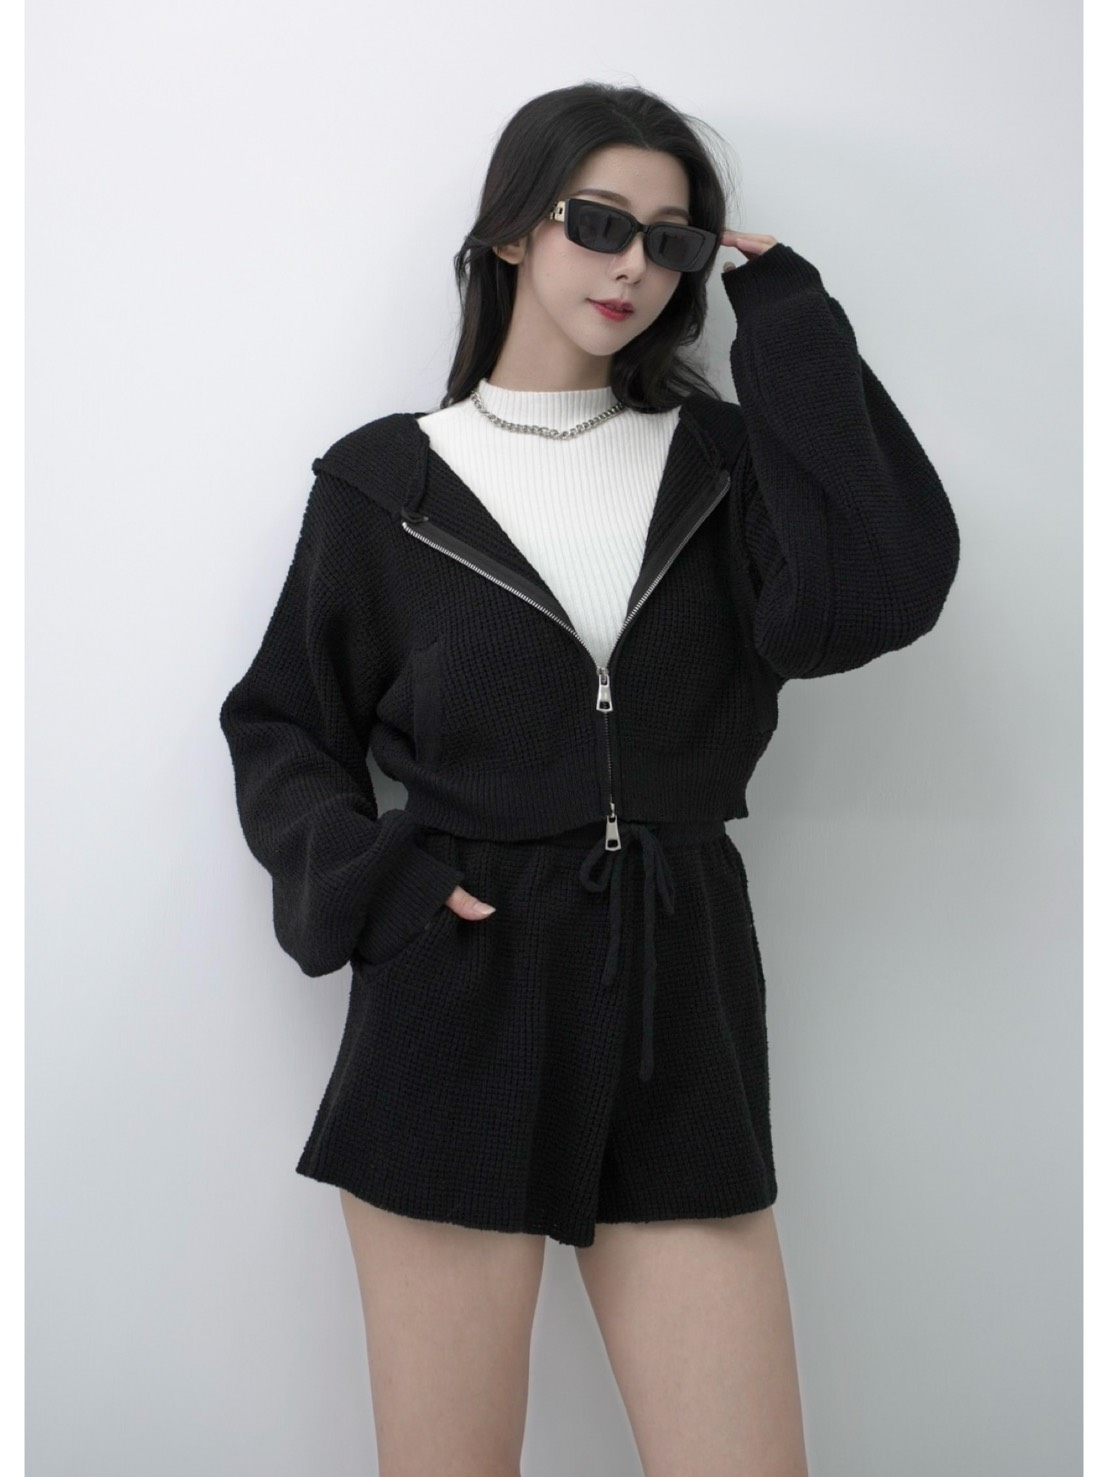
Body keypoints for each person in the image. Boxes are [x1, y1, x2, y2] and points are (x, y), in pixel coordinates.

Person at [218, 81, 960, 1477]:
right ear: (513, 228)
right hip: (460, 993)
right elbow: (283, 727)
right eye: (600, 222)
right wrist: (382, 885)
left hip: (680, 998)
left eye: (670, 241)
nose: (633, 266)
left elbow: (877, 592)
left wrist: (791, 323)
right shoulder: (386, 484)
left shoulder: (724, 468)